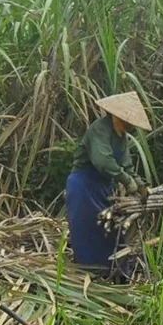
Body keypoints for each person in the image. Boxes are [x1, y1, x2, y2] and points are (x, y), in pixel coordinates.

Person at [65, 91, 151, 282]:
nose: (129, 126)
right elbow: (102, 161)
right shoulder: (99, 130)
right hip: (83, 186)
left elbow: (127, 165)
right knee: (89, 229)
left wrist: (141, 186)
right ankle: (91, 276)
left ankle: (116, 274)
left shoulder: (120, 137)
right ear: (118, 116)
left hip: (104, 186)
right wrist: (127, 181)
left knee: (111, 229)